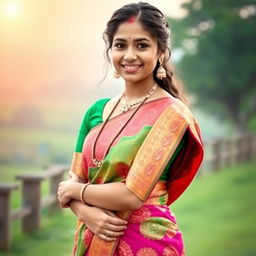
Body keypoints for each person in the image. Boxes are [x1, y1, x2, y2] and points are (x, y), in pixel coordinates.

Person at [57, 2, 204, 256]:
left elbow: (132, 195)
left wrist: (75, 193)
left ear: (161, 52)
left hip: (148, 241)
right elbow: (76, 176)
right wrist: (86, 213)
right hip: (92, 236)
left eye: (142, 45)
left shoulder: (171, 114)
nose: (129, 55)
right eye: (120, 45)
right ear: (110, 50)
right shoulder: (97, 110)